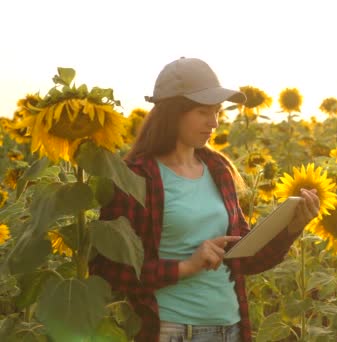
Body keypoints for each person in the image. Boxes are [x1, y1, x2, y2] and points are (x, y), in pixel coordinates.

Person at [89, 57, 320, 342]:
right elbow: (110, 270)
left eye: (217, 112)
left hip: (231, 327)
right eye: (203, 112)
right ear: (173, 113)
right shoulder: (136, 177)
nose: (214, 123)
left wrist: (291, 228)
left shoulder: (218, 170)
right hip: (173, 330)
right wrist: (186, 266)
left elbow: (245, 259)